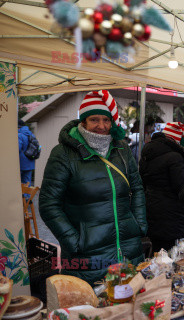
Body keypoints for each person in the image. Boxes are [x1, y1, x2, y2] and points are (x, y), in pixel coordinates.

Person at [39, 90, 147, 285]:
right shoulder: (64, 153)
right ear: (83, 121)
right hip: (88, 256)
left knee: (128, 306)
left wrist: (139, 224)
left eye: (106, 120)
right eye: (94, 120)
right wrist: (75, 241)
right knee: (90, 310)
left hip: (127, 249)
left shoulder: (121, 148)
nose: (101, 126)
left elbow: (137, 188)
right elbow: (48, 204)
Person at [139, 122, 184, 252]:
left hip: (150, 207)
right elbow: (180, 186)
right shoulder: (175, 157)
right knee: (167, 254)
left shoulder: (147, 152)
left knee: (155, 249)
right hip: (169, 213)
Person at [18, 120, 36, 185]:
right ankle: (27, 195)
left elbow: (18, 149)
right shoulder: (31, 134)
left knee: (18, 182)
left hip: (21, 163)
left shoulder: (19, 135)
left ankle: (20, 195)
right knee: (27, 182)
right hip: (30, 162)